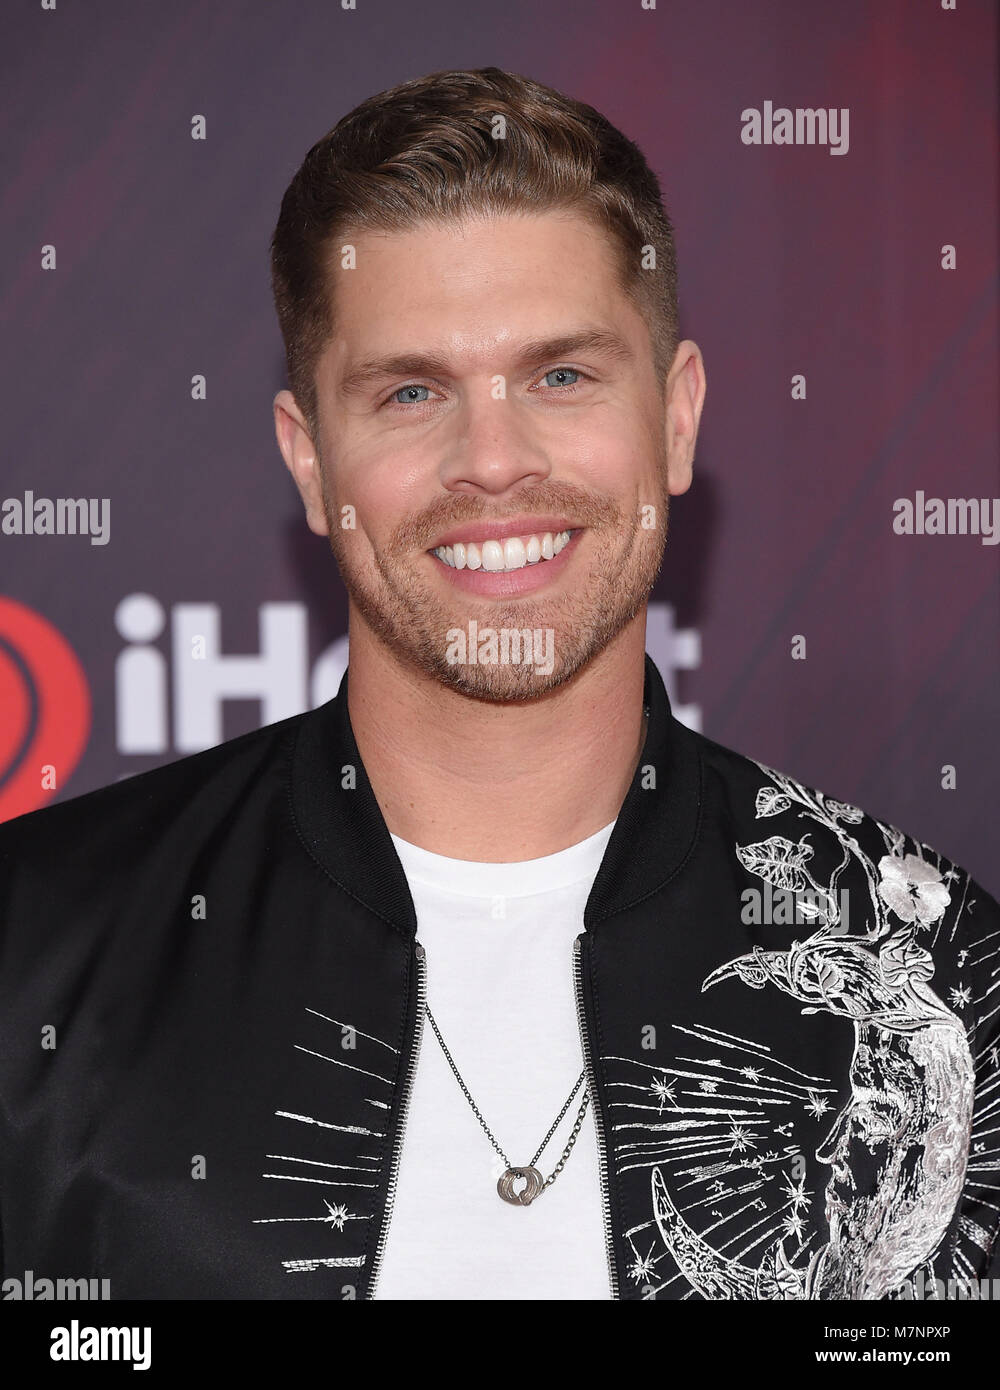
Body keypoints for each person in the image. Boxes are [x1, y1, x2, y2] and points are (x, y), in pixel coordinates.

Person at [1, 67, 997, 1303]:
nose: (491, 462)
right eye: (412, 391)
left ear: (677, 421)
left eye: (561, 376)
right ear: (310, 463)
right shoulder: (34, 953)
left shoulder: (941, 970)